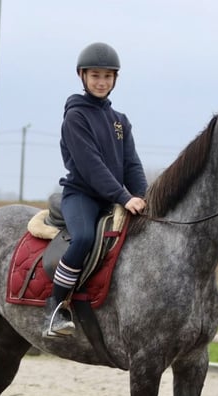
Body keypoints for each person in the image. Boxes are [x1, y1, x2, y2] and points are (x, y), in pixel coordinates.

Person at [43, 41, 148, 338]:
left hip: (114, 197)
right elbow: (91, 167)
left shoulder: (120, 121)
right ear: (82, 77)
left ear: (115, 79)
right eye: (95, 76)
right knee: (84, 238)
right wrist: (124, 197)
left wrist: (145, 196)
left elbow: (131, 165)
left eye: (107, 76)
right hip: (82, 195)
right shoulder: (76, 116)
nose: (101, 82)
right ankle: (56, 307)